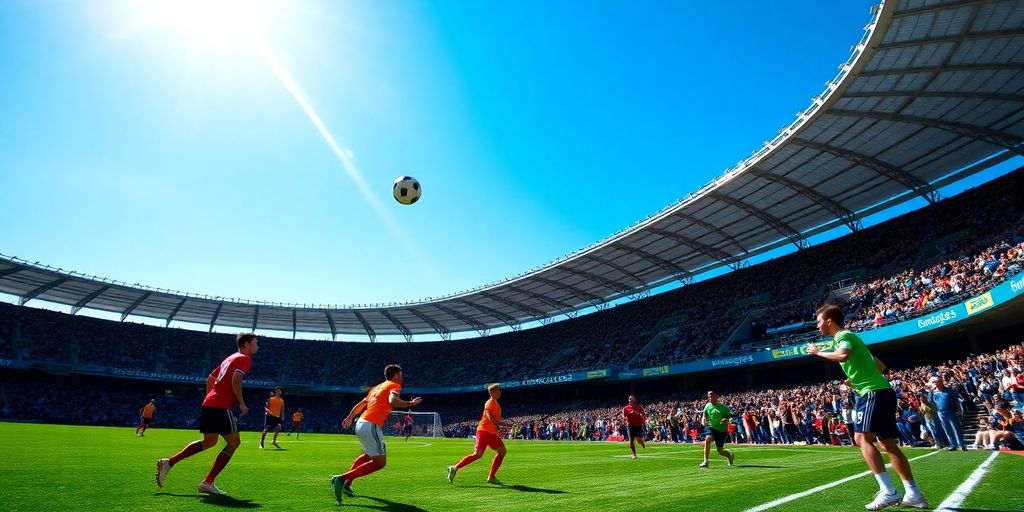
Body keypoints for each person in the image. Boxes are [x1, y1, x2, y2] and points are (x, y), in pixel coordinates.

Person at [807, 305, 927, 510]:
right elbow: (879, 365)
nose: (817, 326)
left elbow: (843, 355)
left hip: (872, 393)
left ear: (828, 321)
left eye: (819, 321)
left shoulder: (842, 337)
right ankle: (913, 494)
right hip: (882, 391)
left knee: (861, 438)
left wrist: (818, 352)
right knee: (888, 444)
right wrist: (856, 379)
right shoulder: (854, 339)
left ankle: (889, 492)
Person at [156, 333, 259, 496]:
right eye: (255, 343)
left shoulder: (229, 358)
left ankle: (169, 462)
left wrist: (210, 396)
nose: (257, 346)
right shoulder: (244, 359)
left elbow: (211, 377)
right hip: (221, 406)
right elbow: (235, 379)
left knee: (209, 441)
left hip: (210, 403)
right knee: (234, 443)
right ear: (246, 344)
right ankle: (208, 482)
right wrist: (241, 402)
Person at [331, 364, 422, 504]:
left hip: (361, 422)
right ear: (396, 375)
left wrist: (350, 417)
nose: (402, 377)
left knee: (368, 456)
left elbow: (362, 404)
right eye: (401, 374)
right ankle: (342, 479)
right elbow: (393, 400)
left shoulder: (377, 387)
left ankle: (347, 484)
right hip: (371, 424)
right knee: (380, 462)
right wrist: (411, 403)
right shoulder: (394, 385)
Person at [447, 383, 507, 485]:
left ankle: (491, 477)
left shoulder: (495, 403)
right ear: (492, 392)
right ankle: (455, 468)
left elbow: (495, 420)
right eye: (498, 390)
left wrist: (506, 424)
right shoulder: (489, 403)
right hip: (483, 431)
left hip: (491, 433)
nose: (499, 392)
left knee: (502, 451)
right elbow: (489, 416)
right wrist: (497, 425)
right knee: (478, 454)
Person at [698, 390, 735, 467]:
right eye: (709, 396)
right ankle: (705, 461)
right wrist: (704, 420)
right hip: (711, 427)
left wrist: (727, 420)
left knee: (720, 450)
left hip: (721, 430)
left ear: (716, 396)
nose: (710, 398)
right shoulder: (707, 406)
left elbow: (731, 416)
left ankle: (729, 455)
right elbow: (705, 414)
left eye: (712, 396)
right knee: (707, 439)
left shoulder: (723, 407)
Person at [929, 376, 966, 451]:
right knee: (947, 429)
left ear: (941, 382)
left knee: (956, 428)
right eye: (934, 382)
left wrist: (959, 410)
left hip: (951, 411)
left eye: (937, 382)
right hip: (941, 413)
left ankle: (961, 444)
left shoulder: (949, 390)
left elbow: (956, 400)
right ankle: (953, 444)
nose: (935, 384)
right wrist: (930, 391)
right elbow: (930, 401)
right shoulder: (934, 393)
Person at [622, 395, 646, 459]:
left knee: (639, 440)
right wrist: (626, 417)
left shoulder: (639, 407)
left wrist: (637, 413)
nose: (630, 400)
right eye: (629, 399)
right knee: (631, 440)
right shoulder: (625, 408)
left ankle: (642, 442)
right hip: (630, 425)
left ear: (634, 400)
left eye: (631, 398)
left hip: (638, 425)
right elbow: (623, 417)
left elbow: (643, 416)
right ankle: (634, 455)